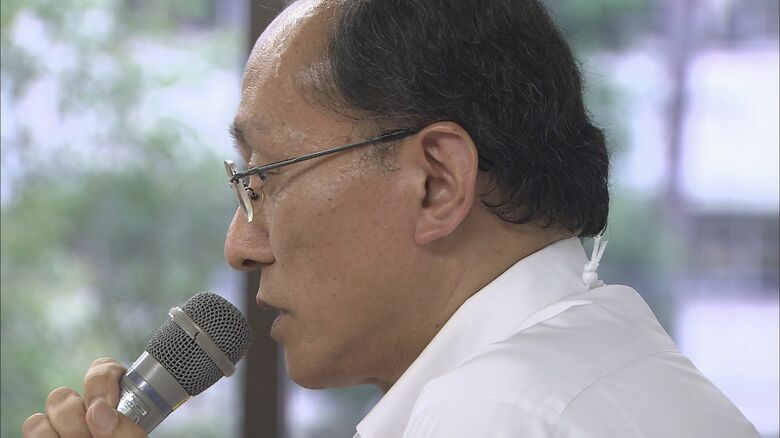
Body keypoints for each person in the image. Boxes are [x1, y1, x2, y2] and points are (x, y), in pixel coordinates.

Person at [25, 0, 761, 437]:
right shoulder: (622, 361)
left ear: (436, 183)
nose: (240, 245)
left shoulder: (490, 416)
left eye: (261, 179)